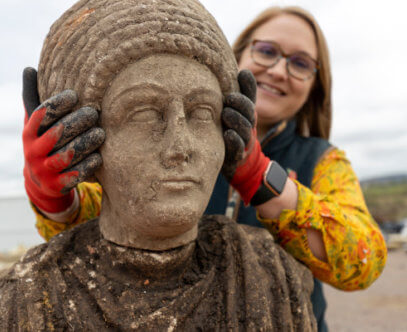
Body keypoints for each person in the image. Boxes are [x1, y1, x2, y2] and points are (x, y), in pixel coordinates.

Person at [21, 4, 387, 331]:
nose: (279, 69)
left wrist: (261, 179)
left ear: (315, 85)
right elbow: (90, 221)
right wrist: (53, 195)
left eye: (301, 63)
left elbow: (362, 261)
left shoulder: (323, 159)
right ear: (239, 54)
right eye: (267, 51)